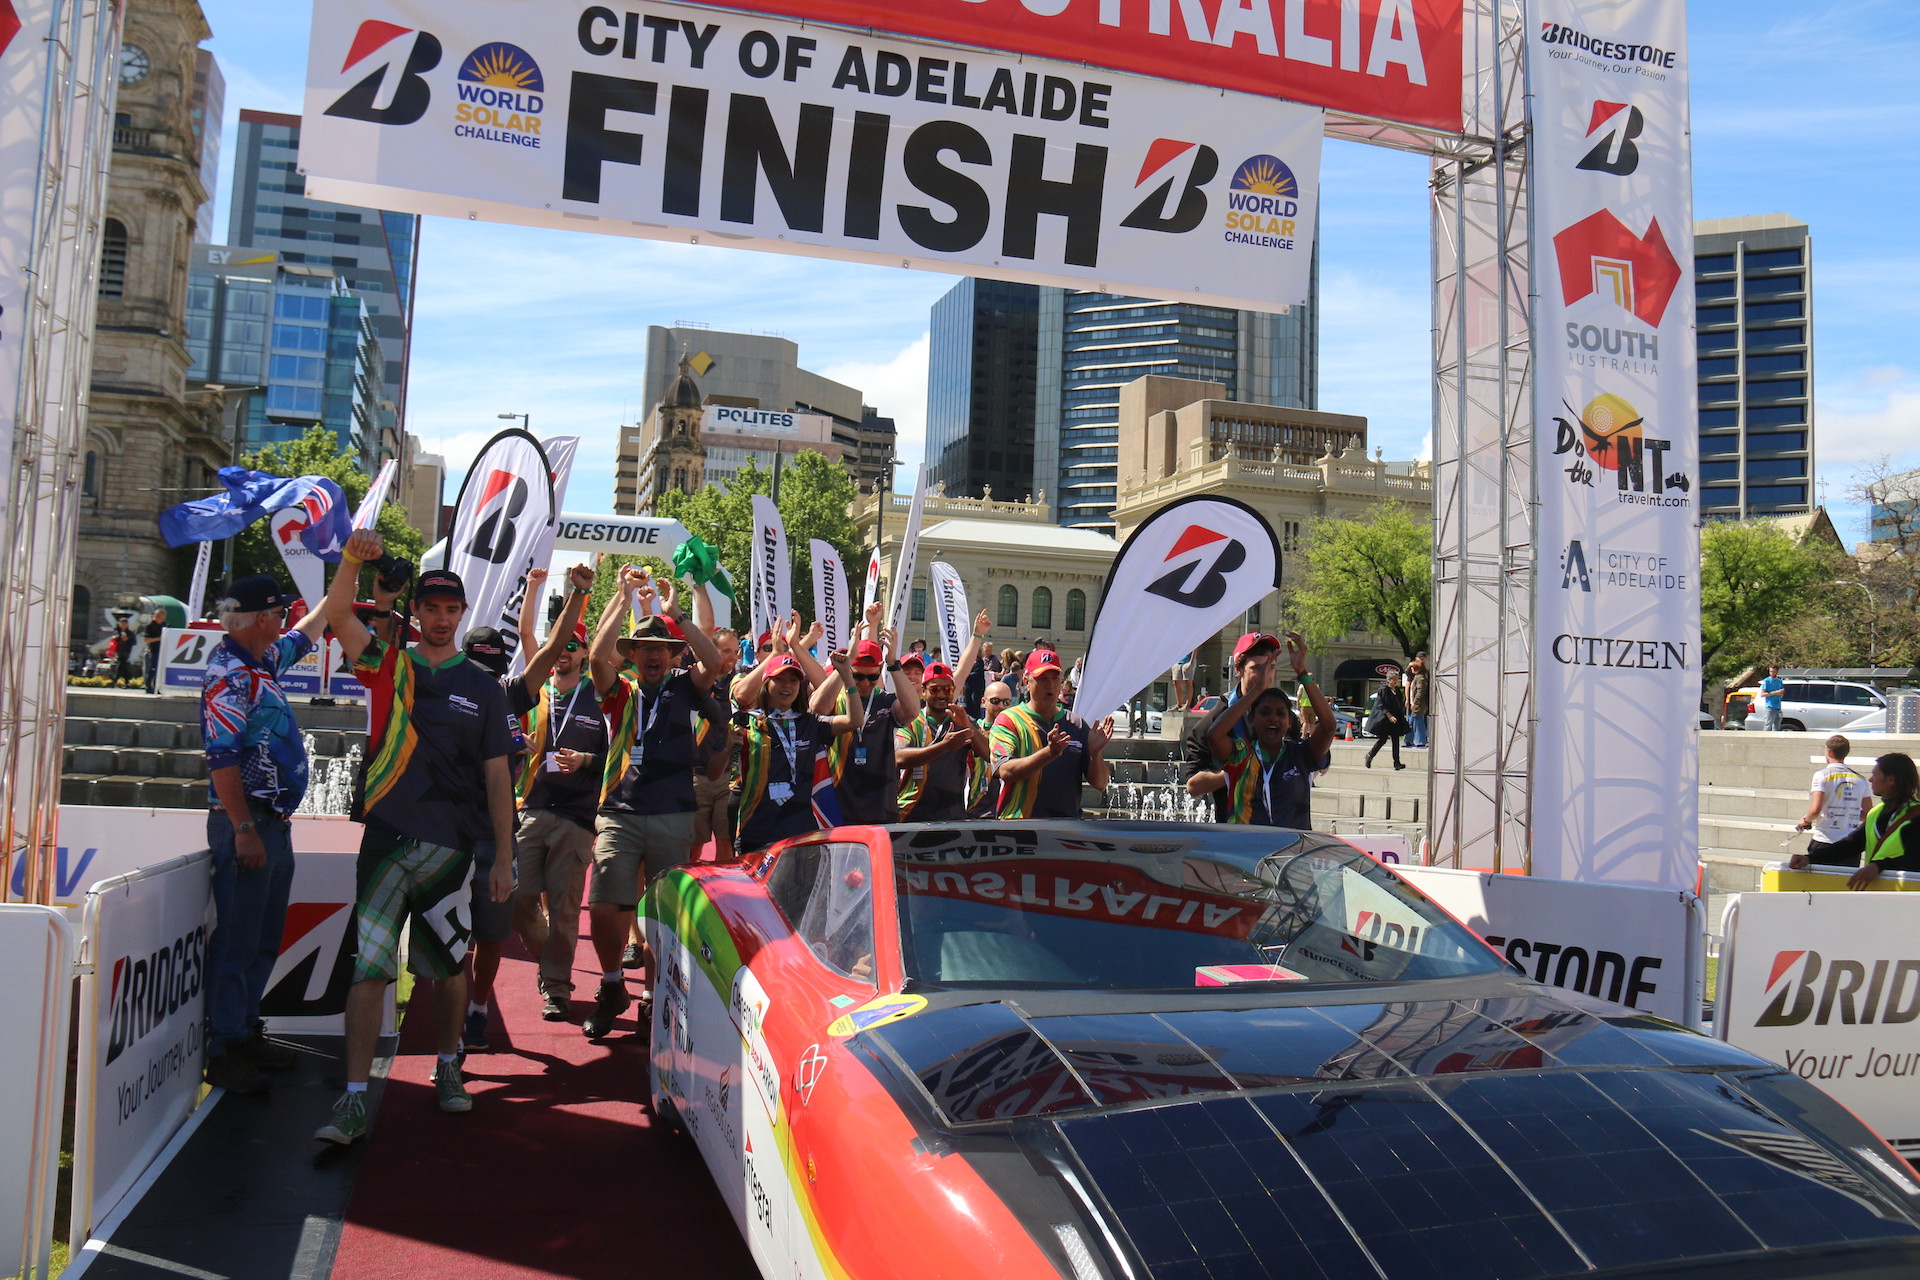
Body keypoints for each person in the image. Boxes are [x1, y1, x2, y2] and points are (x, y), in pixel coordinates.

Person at [314, 531, 518, 1143]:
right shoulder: (389, 663)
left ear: (462, 614)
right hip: (385, 842)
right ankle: (353, 1098)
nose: (441, 618)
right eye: (431, 608)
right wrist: (350, 560)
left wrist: (503, 857)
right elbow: (339, 615)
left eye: (451, 609)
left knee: (448, 967)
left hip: (451, 849)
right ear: (418, 611)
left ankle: (449, 1067)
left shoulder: (483, 686)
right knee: (368, 970)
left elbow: (498, 776)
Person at [199, 574, 333, 1094]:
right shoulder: (230, 673)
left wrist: (349, 566)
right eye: (278, 613)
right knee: (238, 939)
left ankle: (244, 1031)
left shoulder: (260, 661)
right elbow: (222, 758)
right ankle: (224, 1048)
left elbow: (313, 627)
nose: (284, 622)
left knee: (260, 939)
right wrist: (243, 828)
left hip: (268, 821)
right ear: (260, 618)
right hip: (250, 821)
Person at [584, 567, 728, 1039]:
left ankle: (651, 996)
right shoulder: (620, 690)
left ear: (671, 655)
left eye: (661, 649)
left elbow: (714, 663)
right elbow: (597, 657)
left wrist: (678, 616)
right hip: (620, 810)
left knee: (661, 913)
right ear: (633, 654)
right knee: (604, 905)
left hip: (672, 812)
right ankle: (612, 985)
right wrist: (622, 596)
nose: (652, 655)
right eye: (644, 648)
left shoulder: (684, 685)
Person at [462, 565, 598, 1035]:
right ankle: (547, 968)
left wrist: (578, 592)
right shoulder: (446, 690)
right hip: (466, 825)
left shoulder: (513, 692)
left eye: (491, 671)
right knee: (516, 909)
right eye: (475, 669)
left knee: (504, 926)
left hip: (525, 825)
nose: (483, 679)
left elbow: (551, 644)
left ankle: (517, 997)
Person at [731, 646, 863, 854]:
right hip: (757, 830)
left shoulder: (810, 722)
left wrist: (846, 675)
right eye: (780, 679)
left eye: (793, 680)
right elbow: (717, 770)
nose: (787, 686)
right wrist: (729, 745)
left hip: (801, 831)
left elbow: (854, 720)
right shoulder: (747, 723)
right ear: (766, 683)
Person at [1206, 634, 1336, 828]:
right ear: (1252, 719)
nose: (1273, 718)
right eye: (1265, 713)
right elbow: (1213, 736)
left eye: (1280, 713)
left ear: (1289, 721)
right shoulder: (1241, 754)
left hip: (1290, 845)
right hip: (1245, 845)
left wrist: (1302, 672)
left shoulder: (1300, 754)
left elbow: (1328, 726)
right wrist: (1256, 691)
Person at [812, 602, 919, 825]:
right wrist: (844, 666)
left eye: (872, 677)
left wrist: (893, 664)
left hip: (880, 807)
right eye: (858, 676)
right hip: (838, 805)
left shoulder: (884, 700)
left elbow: (911, 710)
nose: (864, 683)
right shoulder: (837, 699)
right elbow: (817, 708)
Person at [990, 650, 1112, 819]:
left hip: (1066, 827)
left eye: (1055, 678)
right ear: (1026, 681)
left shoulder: (1076, 724)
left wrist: (1095, 754)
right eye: (1042, 678)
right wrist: (1050, 753)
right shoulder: (1009, 721)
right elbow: (1006, 772)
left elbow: (1100, 784)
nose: (1050, 685)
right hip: (1019, 826)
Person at [1185, 633, 1282, 818]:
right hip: (1235, 825)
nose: (1266, 675)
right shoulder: (1215, 719)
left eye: (1271, 667)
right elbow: (1193, 786)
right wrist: (1236, 771)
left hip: (1279, 824)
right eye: (1257, 668)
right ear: (1238, 669)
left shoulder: (1282, 715)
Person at [1804, 753, 1920, 890]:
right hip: (1879, 892)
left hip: (1908, 895)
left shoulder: (1916, 815)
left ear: (1890, 780)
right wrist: (1809, 859)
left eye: (1875, 775)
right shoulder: (1876, 812)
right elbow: (1851, 844)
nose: (1870, 779)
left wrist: (1879, 866)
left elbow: (1915, 860)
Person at [897, 660, 989, 823]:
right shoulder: (911, 721)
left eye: (947, 689)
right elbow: (899, 757)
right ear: (923, 691)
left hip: (953, 817)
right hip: (911, 816)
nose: (941, 695)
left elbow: (989, 755)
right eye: (934, 689)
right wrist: (943, 747)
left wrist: (969, 727)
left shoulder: (963, 721)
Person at [1790, 735, 1874, 871]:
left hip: (1825, 840)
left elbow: (1815, 810)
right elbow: (1868, 814)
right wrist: (1849, 812)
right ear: (1846, 753)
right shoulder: (1860, 779)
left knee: (1821, 881)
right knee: (1844, 882)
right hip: (1850, 844)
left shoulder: (1822, 775)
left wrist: (1805, 821)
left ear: (1828, 751)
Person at [968, 681, 1015, 817]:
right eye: (995, 701)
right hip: (975, 811)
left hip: (1007, 812)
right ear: (984, 702)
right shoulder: (973, 730)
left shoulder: (1016, 733)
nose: (1001, 706)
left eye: (1006, 702)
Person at [1364, 668, 1409, 770]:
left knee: (1396, 740)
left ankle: (1397, 762)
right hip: (1385, 720)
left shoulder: (1397, 691)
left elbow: (1398, 705)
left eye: (1397, 679)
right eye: (1393, 679)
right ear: (1388, 680)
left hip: (1395, 719)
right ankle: (1370, 755)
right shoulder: (1383, 690)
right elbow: (1381, 705)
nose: (1395, 681)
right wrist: (1389, 716)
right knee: (1383, 740)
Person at [1405, 653, 1430, 749]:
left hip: (1418, 704)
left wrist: (1416, 702)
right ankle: (1408, 740)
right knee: (1411, 721)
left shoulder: (1421, 677)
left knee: (1418, 721)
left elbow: (1420, 691)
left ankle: (1421, 741)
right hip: (1414, 703)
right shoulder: (1416, 676)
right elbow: (1407, 673)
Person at [142, 607, 167, 694]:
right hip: (153, 650)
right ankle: (148, 686)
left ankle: (157, 687)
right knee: (152, 669)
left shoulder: (165, 626)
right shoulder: (150, 626)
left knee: (160, 670)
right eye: (160, 618)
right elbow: (146, 639)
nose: (162, 620)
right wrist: (159, 638)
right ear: (155, 617)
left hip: (162, 650)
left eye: (163, 618)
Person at [110, 615, 139, 687]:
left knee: (120, 665)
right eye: (121, 624)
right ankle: (127, 682)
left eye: (124, 624)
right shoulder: (117, 632)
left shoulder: (130, 633)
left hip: (126, 651)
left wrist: (127, 639)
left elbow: (134, 642)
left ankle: (115, 681)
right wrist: (115, 638)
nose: (123, 626)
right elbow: (114, 639)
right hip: (118, 651)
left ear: (127, 625)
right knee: (123, 666)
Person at [1758, 664, 1786, 732]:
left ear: (1777, 672)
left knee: (1777, 727)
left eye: (1773, 671)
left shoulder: (1779, 681)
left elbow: (1782, 693)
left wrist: (1781, 693)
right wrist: (1775, 692)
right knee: (1768, 726)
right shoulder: (1767, 681)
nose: (1772, 673)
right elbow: (1762, 694)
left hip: (1778, 707)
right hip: (1770, 707)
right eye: (1770, 671)